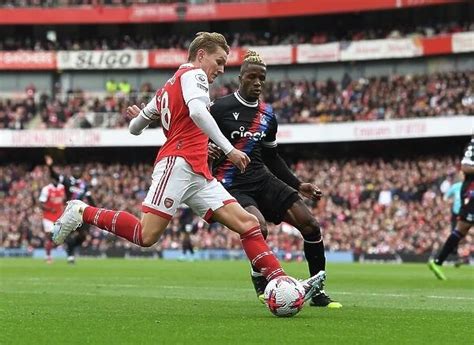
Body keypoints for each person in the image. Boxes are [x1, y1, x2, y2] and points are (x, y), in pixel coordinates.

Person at [52, 32, 325, 298]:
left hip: (199, 172)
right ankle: (81, 211)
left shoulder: (166, 88)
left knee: (249, 224)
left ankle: (280, 283)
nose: (220, 69)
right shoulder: (195, 75)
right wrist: (229, 150)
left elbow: (135, 128)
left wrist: (146, 115)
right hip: (177, 165)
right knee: (145, 235)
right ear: (201, 55)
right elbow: (196, 112)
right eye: (218, 61)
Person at [208, 50, 341, 308]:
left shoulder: (268, 115)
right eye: (252, 77)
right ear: (240, 78)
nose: (257, 83)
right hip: (232, 182)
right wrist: (207, 150)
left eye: (262, 79)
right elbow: (197, 138)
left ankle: (318, 290)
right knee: (257, 227)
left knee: (311, 225)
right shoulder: (219, 108)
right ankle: (261, 279)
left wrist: (298, 184)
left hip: (262, 178)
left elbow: (272, 157)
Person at [429, 138, 474, 280]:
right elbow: (465, 167)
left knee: (462, 229)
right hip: (472, 192)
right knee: (462, 228)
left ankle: (438, 261)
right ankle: (438, 261)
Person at [45, 155, 95, 264]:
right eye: (75, 170)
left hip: (81, 212)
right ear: (72, 171)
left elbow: (90, 199)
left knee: (83, 236)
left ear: (81, 172)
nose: (77, 172)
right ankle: (70, 255)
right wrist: (50, 166)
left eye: (79, 171)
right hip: (69, 211)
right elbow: (55, 175)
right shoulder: (67, 181)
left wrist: (96, 211)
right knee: (68, 234)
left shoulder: (84, 185)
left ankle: (70, 249)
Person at [39, 177, 66, 263]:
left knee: (57, 236)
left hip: (59, 217)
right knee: (50, 236)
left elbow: (64, 200)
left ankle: (52, 251)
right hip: (48, 217)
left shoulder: (62, 187)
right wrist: (50, 209)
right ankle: (48, 256)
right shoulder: (46, 189)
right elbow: (41, 203)